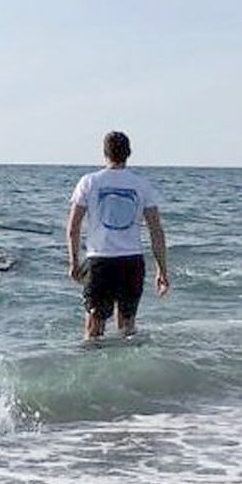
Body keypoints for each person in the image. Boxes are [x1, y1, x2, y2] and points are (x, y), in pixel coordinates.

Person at [67, 131, 170, 341]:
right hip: (132, 262)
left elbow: (73, 227)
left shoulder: (89, 182)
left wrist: (74, 262)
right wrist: (162, 269)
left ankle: (93, 371)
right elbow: (156, 230)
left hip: (100, 261)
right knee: (127, 329)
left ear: (104, 153)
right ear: (128, 153)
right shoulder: (141, 184)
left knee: (93, 331)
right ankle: (129, 372)